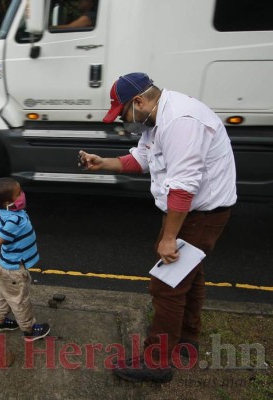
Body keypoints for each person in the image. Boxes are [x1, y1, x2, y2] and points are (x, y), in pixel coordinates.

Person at [78, 72, 237, 382]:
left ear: (139, 101)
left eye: (123, 114)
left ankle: (157, 361)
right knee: (191, 276)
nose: (123, 121)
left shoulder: (180, 121)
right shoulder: (157, 119)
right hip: (189, 212)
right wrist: (104, 162)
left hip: (201, 214)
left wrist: (168, 237)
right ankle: (187, 341)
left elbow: (184, 186)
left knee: (167, 285)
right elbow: (143, 158)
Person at [0, 178, 51, 342]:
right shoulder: (15, 220)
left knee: (3, 294)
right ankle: (29, 330)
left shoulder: (3, 213)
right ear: (8, 202)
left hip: (4, 266)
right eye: (18, 193)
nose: (22, 195)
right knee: (19, 300)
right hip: (15, 270)